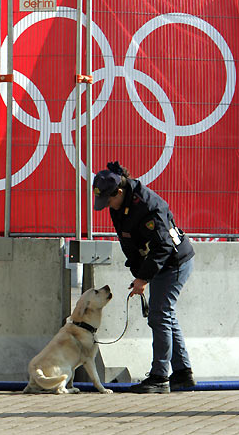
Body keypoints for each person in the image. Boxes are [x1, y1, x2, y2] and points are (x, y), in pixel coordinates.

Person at [93, 160, 196, 394]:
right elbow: (129, 243)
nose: (107, 205)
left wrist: (144, 279)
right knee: (165, 315)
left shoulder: (148, 205)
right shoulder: (118, 206)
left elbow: (163, 247)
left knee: (159, 316)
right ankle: (182, 373)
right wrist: (138, 274)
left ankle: (160, 376)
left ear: (119, 192)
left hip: (173, 262)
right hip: (157, 264)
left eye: (109, 200)